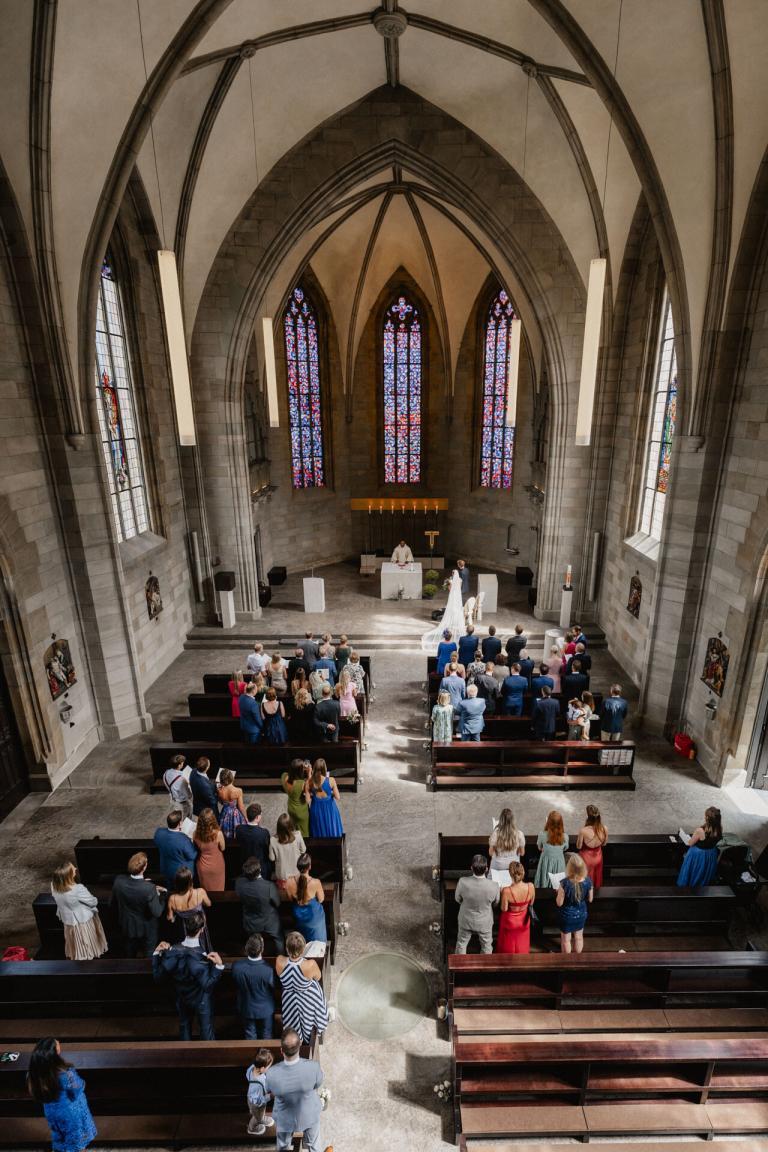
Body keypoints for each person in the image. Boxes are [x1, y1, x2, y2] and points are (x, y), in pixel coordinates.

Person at [153, 913, 224, 1039]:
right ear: (202, 930)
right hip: (201, 1000)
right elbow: (208, 985)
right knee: (206, 1030)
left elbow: (158, 977)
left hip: (182, 998)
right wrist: (218, 966)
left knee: (184, 1027)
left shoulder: (172, 952)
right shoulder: (202, 958)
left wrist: (156, 953)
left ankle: (185, 1056)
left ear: (185, 927)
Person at [27, 1038, 97, 1152]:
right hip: (70, 1113)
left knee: (60, 1136)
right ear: (55, 1053)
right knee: (76, 1140)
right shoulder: (65, 1073)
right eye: (58, 1045)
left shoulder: (35, 1073)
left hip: (51, 1112)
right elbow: (77, 1089)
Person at [265, 1028, 324, 1152]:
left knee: (282, 1146)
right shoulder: (313, 1067)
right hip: (309, 1113)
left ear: (281, 1050)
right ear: (300, 1045)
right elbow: (317, 1084)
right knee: (314, 1145)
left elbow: (271, 1091)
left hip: (285, 1118)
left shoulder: (272, 1073)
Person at [276, 934, 330, 1044]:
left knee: (292, 1021)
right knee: (315, 989)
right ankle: (315, 1029)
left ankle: (297, 1040)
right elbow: (318, 977)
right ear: (303, 948)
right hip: (307, 998)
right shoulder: (310, 964)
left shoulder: (279, 960)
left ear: (286, 948)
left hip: (289, 998)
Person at [111, 852, 166, 957]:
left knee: (129, 951)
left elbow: (112, 903)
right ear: (144, 867)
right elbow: (157, 912)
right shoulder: (149, 889)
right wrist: (162, 895)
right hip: (147, 928)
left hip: (127, 924)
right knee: (149, 953)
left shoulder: (119, 881)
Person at [50, 863, 108, 961]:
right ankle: (87, 958)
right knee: (85, 941)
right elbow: (93, 902)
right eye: (73, 869)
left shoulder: (54, 885)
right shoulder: (78, 889)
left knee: (74, 941)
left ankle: (76, 955)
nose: (76, 868)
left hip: (68, 919)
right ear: (69, 875)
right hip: (82, 921)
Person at [235, 858, 284, 954]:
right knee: (279, 938)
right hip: (269, 922)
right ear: (260, 870)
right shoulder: (269, 886)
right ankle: (280, 956)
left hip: (250, 922)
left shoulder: (239, 883)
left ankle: (251, 954)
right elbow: (277, 903)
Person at [454, 854, 499, 954]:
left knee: (461, 944)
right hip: (485, 921)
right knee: (487, 946)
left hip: (466, 919)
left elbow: (457, 899)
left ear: (471, 868)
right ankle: (485, 967)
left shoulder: (462, 882)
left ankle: (460, 967)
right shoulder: (494, 885)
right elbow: (495, 903)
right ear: (486, 869)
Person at [166, 866, 212, 951]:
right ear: (190, 882)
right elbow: (208, 904)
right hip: (198, 930)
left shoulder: (172, 899)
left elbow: (170, 918)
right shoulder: (200, 892)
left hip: (183, 932)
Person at [284, 853, 327, 942]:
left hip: (299, 917)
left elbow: (290, 899)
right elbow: (321, 899)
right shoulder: (315, 882)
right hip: (313, 917)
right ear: (309, 867)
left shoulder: (288, 882)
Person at [677, 807, 723, 887]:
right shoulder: (719, 828)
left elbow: (690, 843)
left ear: (707, 818)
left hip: (699, 855)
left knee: (695, 871)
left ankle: (689, 888)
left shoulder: (700, 830)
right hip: (711, 853)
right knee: (704, 872)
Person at [556, 853, 593, 953]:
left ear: (569, 868)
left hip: (567, 916)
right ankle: (578, 959)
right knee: (579, 938)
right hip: (581, 914)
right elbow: (590, 899)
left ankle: (567, 961)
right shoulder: (588, 881)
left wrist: (558, 893)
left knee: (566, 941)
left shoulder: (564, 883)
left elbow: (559, 903)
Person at [497, 862, 535, 955]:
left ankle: (506, 958)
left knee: (508, 943)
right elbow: (531, 903)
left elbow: (504, 909)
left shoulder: (507, 890)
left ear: (510, 874)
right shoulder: (531, 886)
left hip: (510, 922)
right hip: (524, 920)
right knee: (522, 941)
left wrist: (501, 893)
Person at [154, 810, 198, 884]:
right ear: (180, 823)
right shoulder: (184, 840)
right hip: (181, 873)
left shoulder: (159, 832)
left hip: (166, 868)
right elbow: (192, 856)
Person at [307, 759, 344, 837]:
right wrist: (330, 794)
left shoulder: (309, 782)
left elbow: (308, 800)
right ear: (325, 768)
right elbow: (338, 797)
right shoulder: (331, 780)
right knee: (332, 828)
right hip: (330, 808)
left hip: (316, 808)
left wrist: (313, 794)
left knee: (318, 830)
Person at [244, 1046, 276, 1136]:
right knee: (257, 1117)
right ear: (262, 1068)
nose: (269, 1068)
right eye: (269, 1067)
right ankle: (252, 1128)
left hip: (256, 1098)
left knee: (261, 1113)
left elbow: (248, 1074)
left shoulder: (253, 1068)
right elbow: (258, 1100)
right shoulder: (256, 1085)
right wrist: (270, 1096)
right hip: (256, 1104)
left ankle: (261, 1118)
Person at [488, 809, 526, 884]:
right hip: (513, 867)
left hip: (498, 865)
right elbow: (522, 853)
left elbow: (490, 853)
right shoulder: (519, 834)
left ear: (501, 820)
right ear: (513, 820)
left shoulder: (495, 834)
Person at [270, 814, 307, 890]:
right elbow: (303, 850)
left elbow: (272, 858)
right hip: (296, 873)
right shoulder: (298, 835)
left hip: (282, 876)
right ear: (291, 825)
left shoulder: (273, 840)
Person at [193, 808, 226, 891]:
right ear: (213, 820)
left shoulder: (195, 833)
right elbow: (223, 848)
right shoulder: (218, 834)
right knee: (219, 889)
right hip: (216, 865)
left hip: (203, 865)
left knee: (206, 890)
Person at [535, 811, 568, 888]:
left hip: (546, 862)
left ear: (548, 822)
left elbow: (539, 847)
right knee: (558, 883)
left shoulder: (542, 834)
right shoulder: (565, 837)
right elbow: (565, 848)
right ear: (561, 823)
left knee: (545, 879)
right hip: (559, 863)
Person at [236, 802, 271, 876]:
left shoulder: (239, 829)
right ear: (257, 817)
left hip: (244, 865)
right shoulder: (264, 833)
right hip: (259, 867)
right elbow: (267, 850)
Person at [576, 805, 608, 887]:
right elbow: (604, 844)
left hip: (586, 859)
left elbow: (579, 847)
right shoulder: (604, 828)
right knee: (596, 876)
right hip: (598, 857)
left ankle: (585, 890)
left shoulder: (583, 831)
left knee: (584, 876)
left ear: (588, 817)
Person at [281, 759, 311, 838]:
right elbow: (308, 800)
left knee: (294, 828)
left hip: (291, 807)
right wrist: (309, 773)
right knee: (304, 832)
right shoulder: (302, 784)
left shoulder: (284, 776)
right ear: (300, 771)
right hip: (301, 811)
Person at [162, 755, 193, 820]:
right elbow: (189, 795)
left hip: (173, 800)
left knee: (178, 819)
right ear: (179, 765)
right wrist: (189, 785)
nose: (183, 764)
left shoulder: (166, 773)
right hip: (183, 803)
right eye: (182, 763)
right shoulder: (182, 778)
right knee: (186, 821)